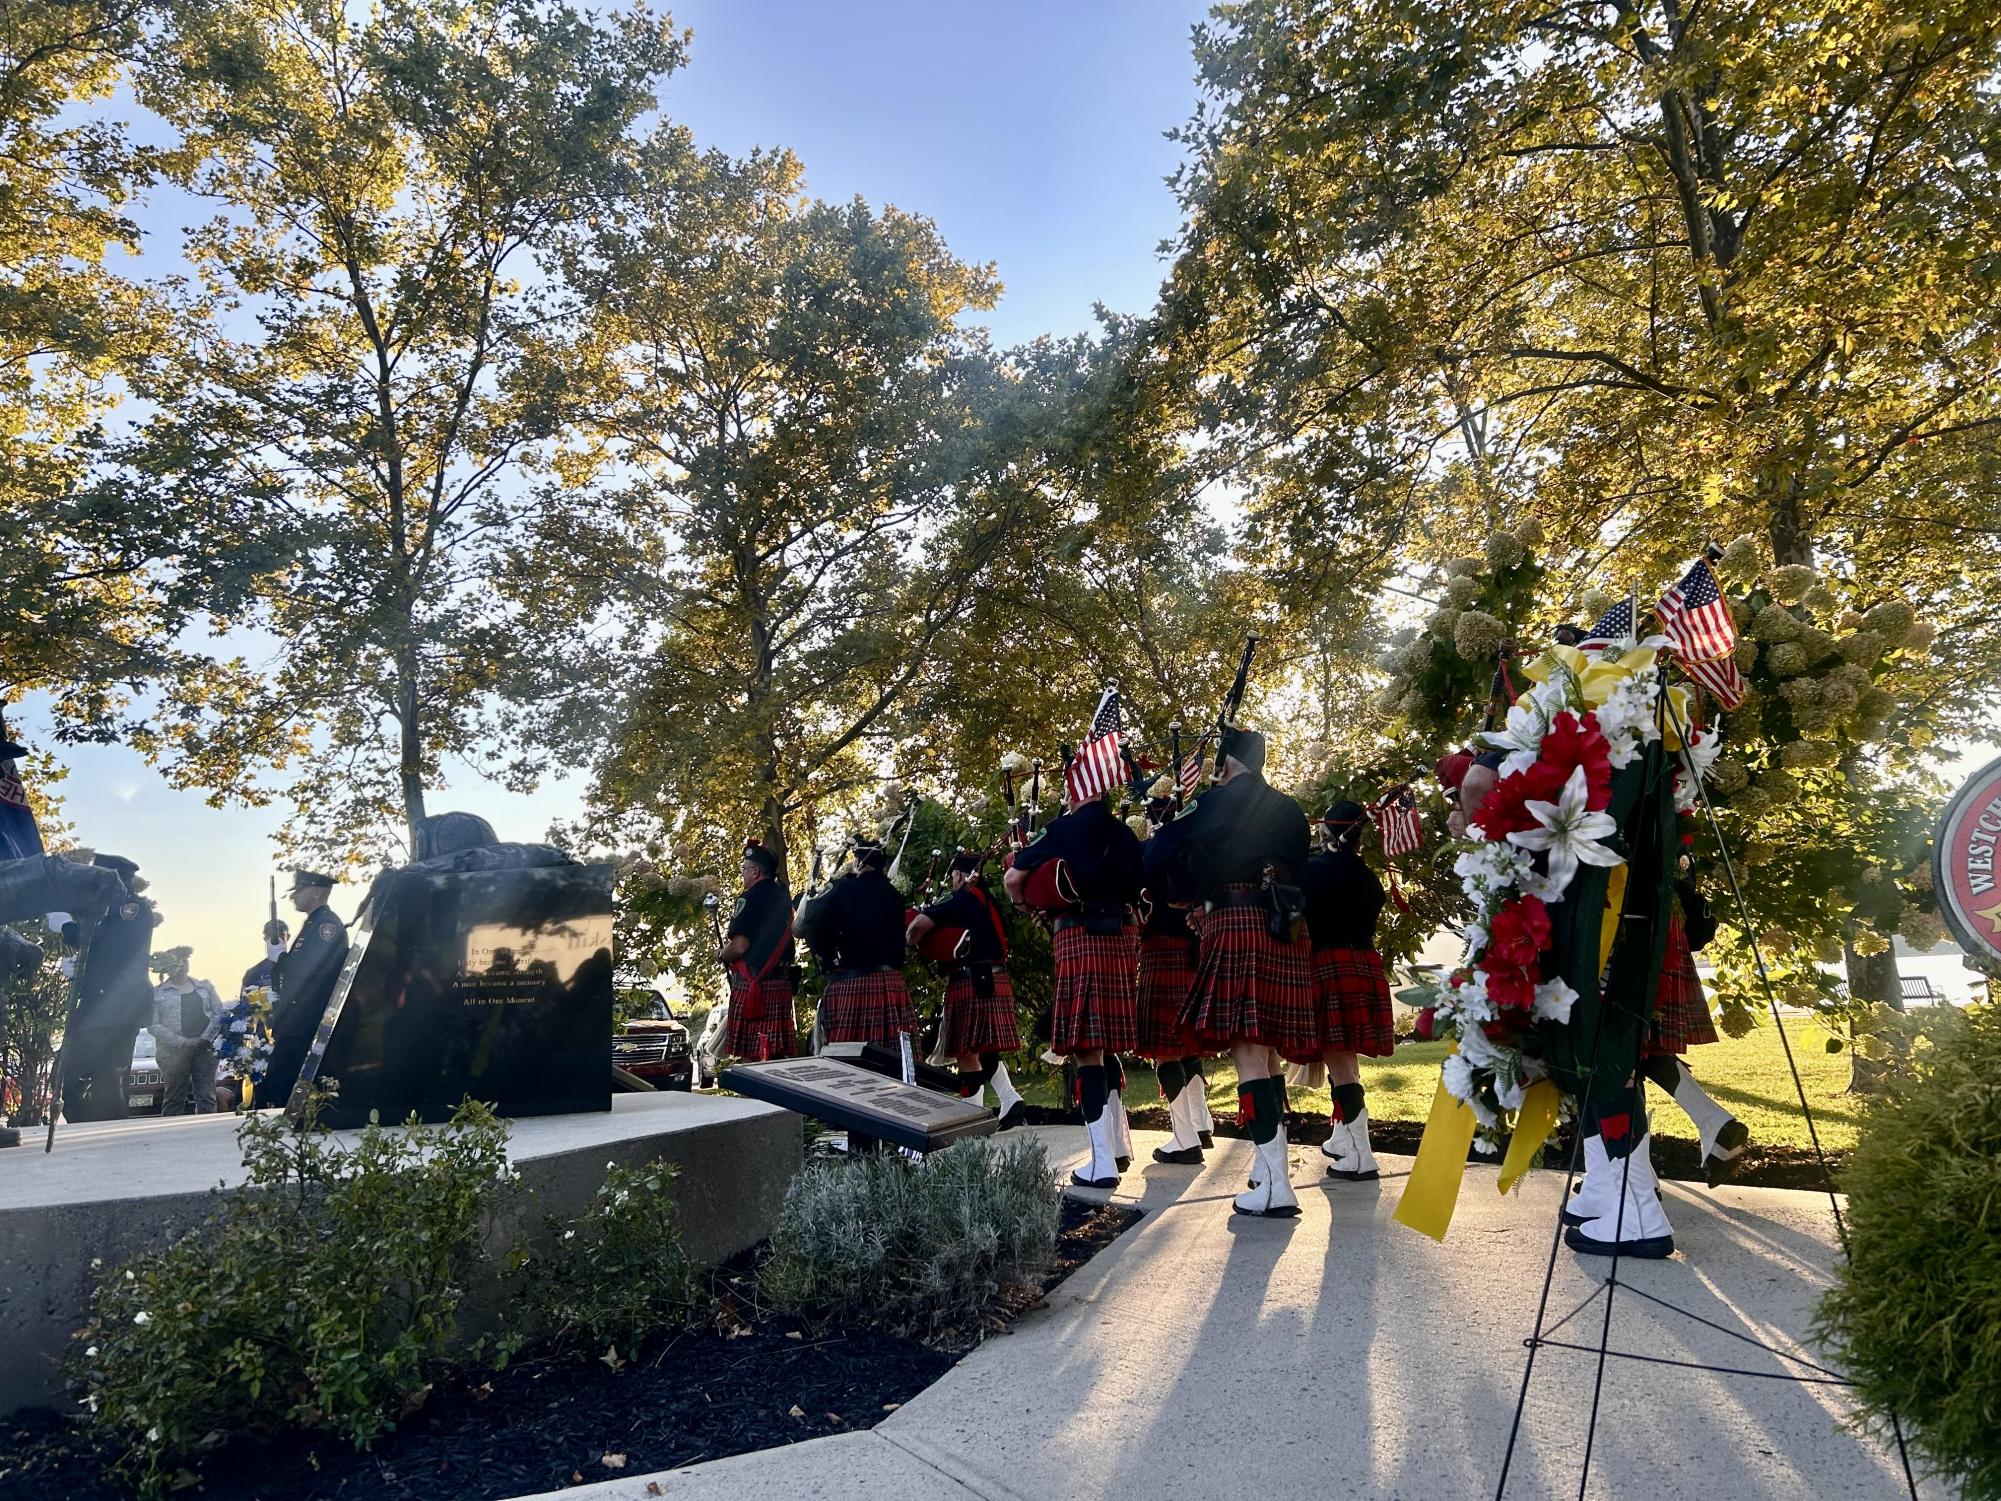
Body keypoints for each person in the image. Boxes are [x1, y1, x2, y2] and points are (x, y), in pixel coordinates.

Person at [1145, 727, 1313, 1217]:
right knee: (1265, 1053)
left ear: (1226, 763)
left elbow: (1155, 854)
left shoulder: (1213, 804)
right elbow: (1300, 862)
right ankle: (1267, 1172)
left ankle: (1276, 1184)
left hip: (1235, 920)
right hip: (1283, 929)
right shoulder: (1290, 808)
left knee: (1247, 1054)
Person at [1006, 773, 1145, 1188]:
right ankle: (1119, 1148)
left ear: (1080, 789)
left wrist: (1024, 903)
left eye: (1069, 788)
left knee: (1087, 1049)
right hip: (1120, 936)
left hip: (1079, 935)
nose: (1066, 794)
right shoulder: (1124, 834)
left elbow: (1015, 878)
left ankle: (1101, 1164)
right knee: (1105, 1044)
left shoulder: (1061, 829)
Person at [1306, 802, 1396, 1181]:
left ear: (1328, 832)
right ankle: (1344, 1138)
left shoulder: (1313, 872)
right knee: (1343, 1062)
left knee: (1340, 1063)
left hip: (1330, 965)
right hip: (1364, 963)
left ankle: (1361, 1155)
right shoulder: (1369, 878)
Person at [909, 851, 1026, 1124]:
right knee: (983, 1047)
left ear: (961, 876)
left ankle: (971, 1117)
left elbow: (917, 927)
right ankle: (1010, 1099)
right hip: (995, 977)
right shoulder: (990, 900)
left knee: (966, 1051)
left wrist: (914, 938)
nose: (952, 882)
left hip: (970, 979)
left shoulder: (960, 897)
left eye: (952, 877)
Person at [1134, 795, 1214, 1165]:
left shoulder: (1149, 855)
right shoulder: (1198, 855)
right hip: (1195, 951)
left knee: (1166, 1048)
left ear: (1153, 819)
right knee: (1188, 1043)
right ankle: (1201, 1124)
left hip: (1160, 953)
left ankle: (1184, 1139)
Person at [61, 854, 160, 1122]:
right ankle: (85, 1121)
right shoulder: (104, 908)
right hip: (98, 1004)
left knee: (107, 1074)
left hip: (119, 1007)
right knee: (70, 1071)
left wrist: (67, 926)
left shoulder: (130, 908)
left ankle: (106, 1130)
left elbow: (107, 942)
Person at [797, 838, 915, 1046]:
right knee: (891, 1062)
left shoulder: (843, 889)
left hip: (852, 983)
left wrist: (829, 956)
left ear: (860, 862)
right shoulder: (894, 895)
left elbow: (812, 925)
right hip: (891, 984)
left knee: (847, 1062)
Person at [262, 870, 348, 1105]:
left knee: (283, 1083)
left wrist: (281, 959)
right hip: (297, 1017)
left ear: (318, 892)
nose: (294, 897)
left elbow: (309, 969)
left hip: (307, 1017)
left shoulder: (326, 925)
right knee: (280, 1084)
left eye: (300, 891)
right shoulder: (313, 923)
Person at [720, 841, 798, 1061]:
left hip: (756, 985)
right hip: (781, 984)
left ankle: (753, 1096)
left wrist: (720, 955)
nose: (743, 874)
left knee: (751, 1057)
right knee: (777, 1055)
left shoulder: (749, 898)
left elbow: (739, 946)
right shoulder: (784, 899)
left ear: (755, 872)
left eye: (744, 869)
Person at [149, 947, 223, 1116]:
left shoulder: (205, 987)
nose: (181, 965)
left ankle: (207, 1134)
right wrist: (183, 1043)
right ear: (167, 967)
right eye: (177, 962)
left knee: (207, 1097)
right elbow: (153, 1025)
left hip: (205, 1049)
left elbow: (219, 1013)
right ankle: (169, 1137)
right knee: (174, 1098)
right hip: (172, 1053)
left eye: (185, 961)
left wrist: (205, 1038)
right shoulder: (157, 993)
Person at [240, 919, 288, 997]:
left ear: (287, 937)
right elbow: (243, 1001)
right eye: (271, 936)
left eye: (280, 935)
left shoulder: (302, 967)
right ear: (265, 939)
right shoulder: (252, 973)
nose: (276, 939)